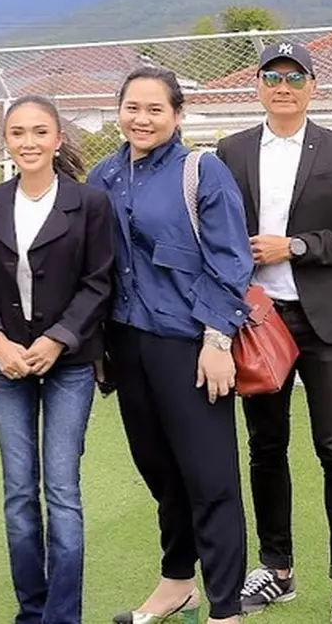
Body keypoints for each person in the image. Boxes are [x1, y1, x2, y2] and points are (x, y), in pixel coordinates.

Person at [215, 41, 332, 624]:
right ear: (257, 87)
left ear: (312, 86)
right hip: (258, 321)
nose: (282, 85)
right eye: (271, 76)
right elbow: (215, 231)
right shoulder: (230, 151)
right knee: (266, 449)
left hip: (327, 325)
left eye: (294, 76)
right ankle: (277, 571)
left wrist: (298, 246)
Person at [88, 67, 253, 624]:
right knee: (160, 469)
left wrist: (217, 338)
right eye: (132, 107)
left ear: (177, 115)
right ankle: (176, 583)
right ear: (118, 111)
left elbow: (231, 260)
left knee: (210, 478)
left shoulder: (201, 171)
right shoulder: (102, 176)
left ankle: (224, 608)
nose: (142, 118)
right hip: (126, 345)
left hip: (190, 344)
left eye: (155, 109)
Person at [0, 95, 114, 624]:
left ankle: (62, 616)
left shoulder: (89, 203)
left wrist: (58, 339)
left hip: (68, 364)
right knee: (17, 495)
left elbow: (100, 281)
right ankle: (31, 612)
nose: (28, 142)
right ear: (6, 139)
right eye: (17, 133)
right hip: (8, 363)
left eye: (39, 132)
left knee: (61, 490)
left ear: (57, 139)